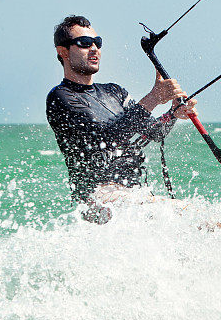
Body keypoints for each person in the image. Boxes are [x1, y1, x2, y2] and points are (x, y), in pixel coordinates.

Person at [46, 15, 197, 223]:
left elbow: (153, 132)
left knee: (213, 224)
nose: (94, 49)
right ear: (63, 51)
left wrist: (173, 114)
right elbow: (104, 139)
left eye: (97, 43)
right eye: (84, 43)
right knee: (193, 215)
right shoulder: (61, 97)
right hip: (98, 198)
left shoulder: (114, 92)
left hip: (135, 196)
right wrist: (153, 98)